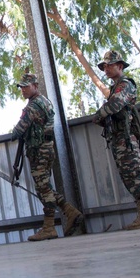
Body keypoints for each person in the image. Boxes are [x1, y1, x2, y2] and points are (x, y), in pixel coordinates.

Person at [10, 73, 84, 241]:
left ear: (35, 86)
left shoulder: (33, 106)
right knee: (45, 186)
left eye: (26, 86)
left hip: (39, 151)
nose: (23, 90)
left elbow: (19, 130)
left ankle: (49, 227)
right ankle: (70, 212)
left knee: (43, 188)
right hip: (45, 149)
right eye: (21, 87)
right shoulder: (45, 102)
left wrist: (14, 134)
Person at [93, 50, 140, 230]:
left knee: (134, 175)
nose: (106, 69)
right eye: (104, 66)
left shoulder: (125, 84)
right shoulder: (116, 87)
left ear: (120, 66)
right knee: (127, 176)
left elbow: (114, 105)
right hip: (118, 137)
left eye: (109, 65)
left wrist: (99, 115)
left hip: (126, 138)